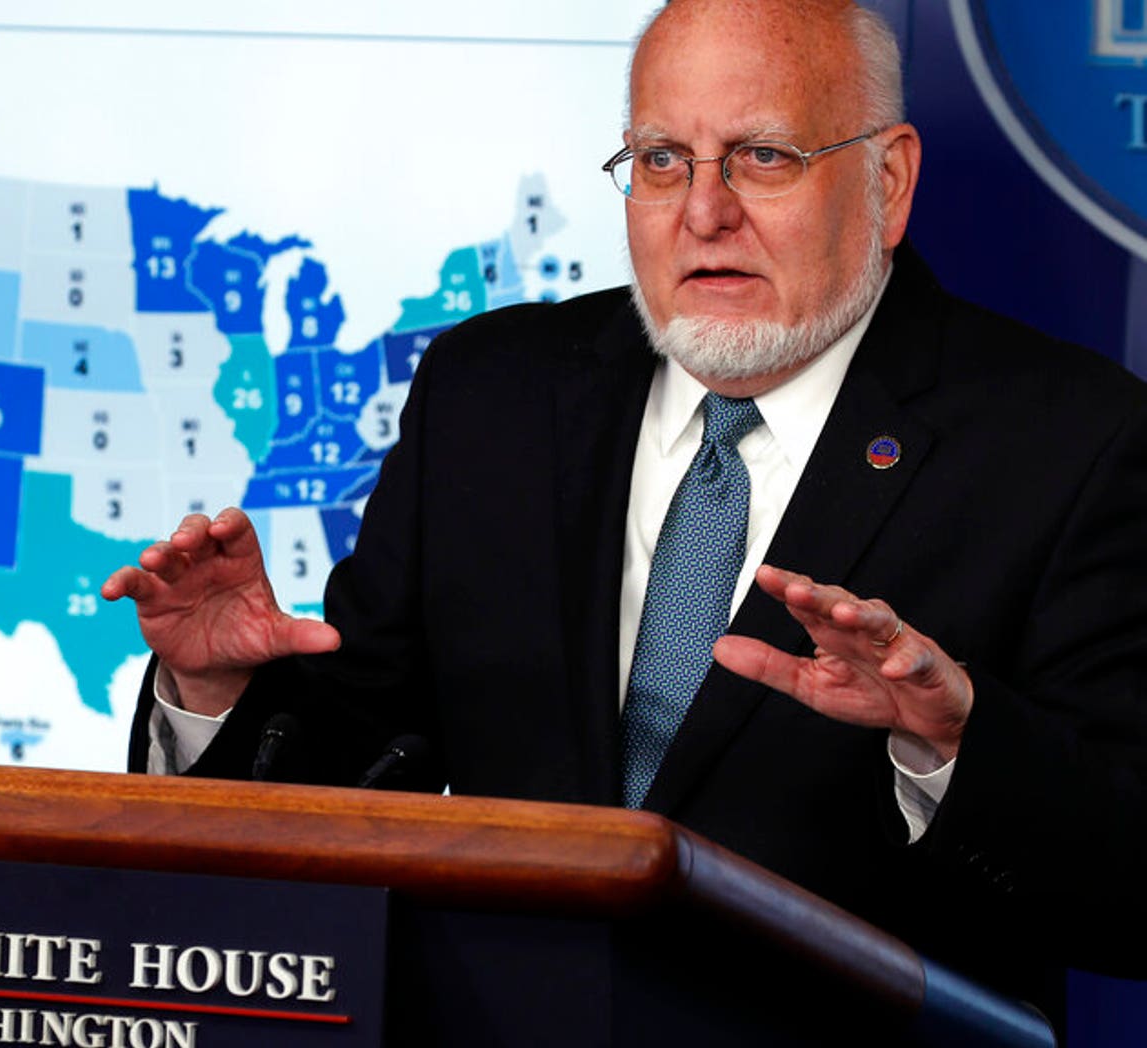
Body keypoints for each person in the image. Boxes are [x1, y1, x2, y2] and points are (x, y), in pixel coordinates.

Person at [101, 0, 1147, 1018]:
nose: (702, 213)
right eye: (659, 161)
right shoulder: (489, 395)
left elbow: (1126, 892)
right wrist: (214, 688)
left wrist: (950, 748)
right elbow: (366, 767)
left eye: (762, 156)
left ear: (886, 178)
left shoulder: (1068, 441)